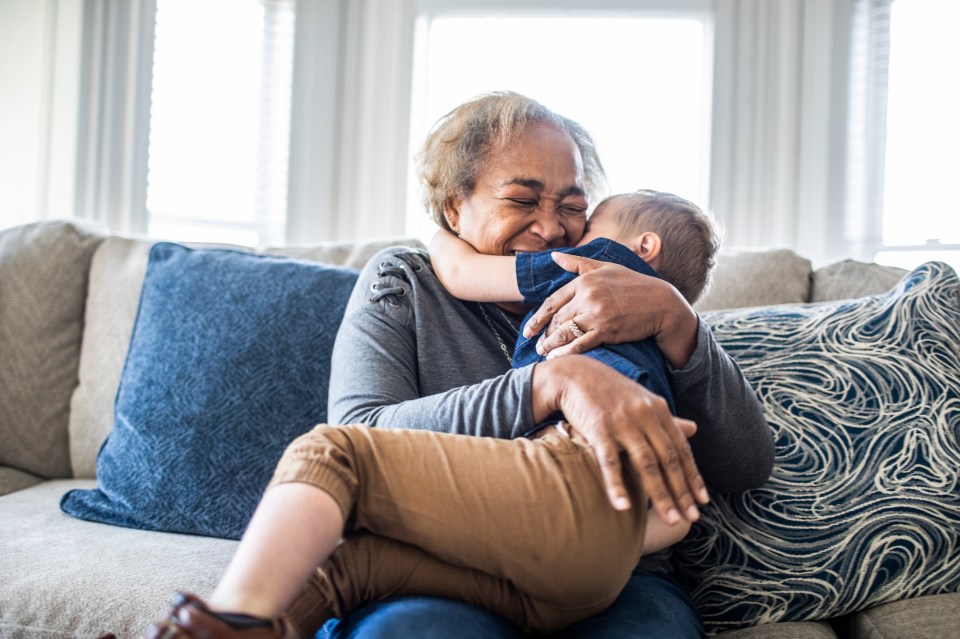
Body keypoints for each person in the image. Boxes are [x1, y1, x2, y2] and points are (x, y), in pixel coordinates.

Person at [154, 91, 774, 639]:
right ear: (454, 208)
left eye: (572, 204)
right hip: (448, 566)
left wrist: (677, 321)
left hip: (619, 576)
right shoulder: (405, 284)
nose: (553, 227)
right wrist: (546, 383)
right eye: (522, 199)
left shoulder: (627, 295)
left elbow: (745, 465)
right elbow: (366, 429)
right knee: (380, 602)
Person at [429, 188, 721, 419]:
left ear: (643, 247)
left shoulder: (595, 261)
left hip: (591, 412)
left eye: (590, 226)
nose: (573, 237)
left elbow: (462, 273)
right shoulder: (667, 341)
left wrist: (440, 237)